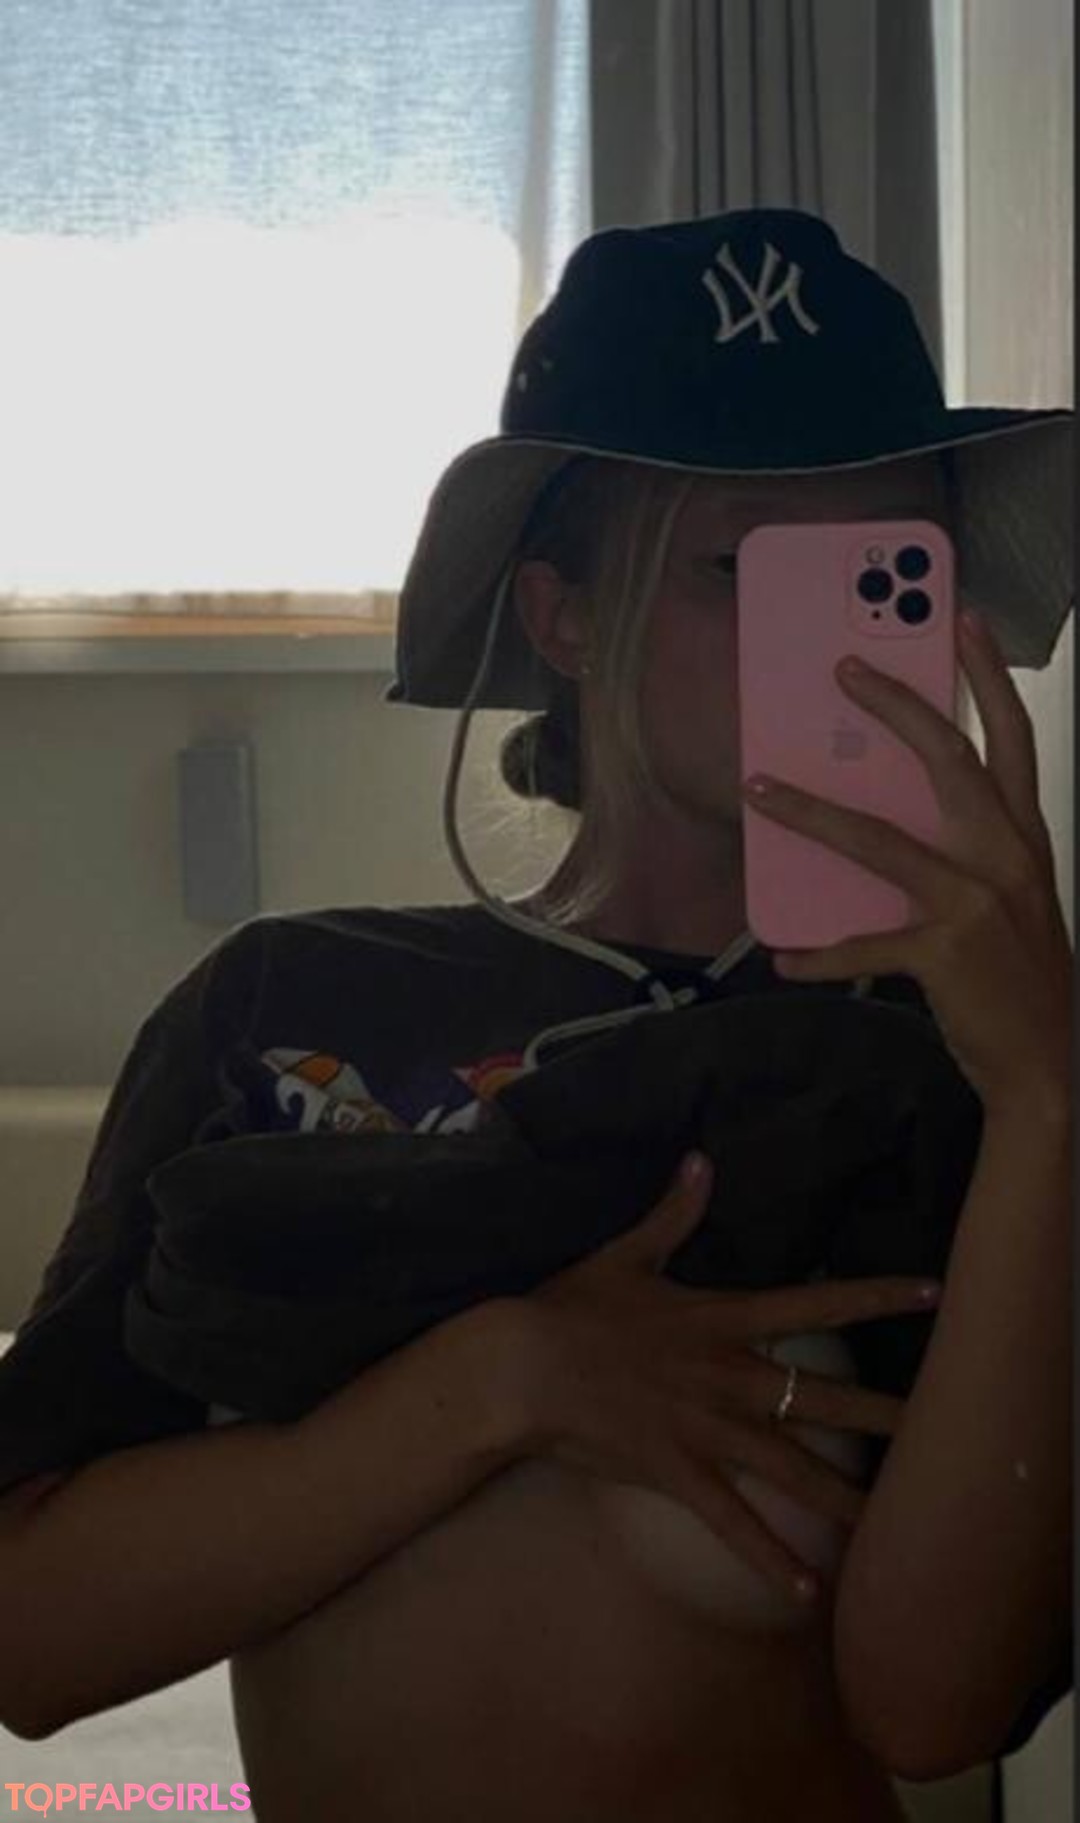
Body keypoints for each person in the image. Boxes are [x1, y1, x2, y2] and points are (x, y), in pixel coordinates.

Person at [0, 209, 1072, 1823]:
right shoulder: (284, 1009)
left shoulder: (956, 1060)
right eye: (752, 575)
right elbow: (26, 1643)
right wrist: (502, 1385)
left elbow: (940, 1711)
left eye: (886, 580)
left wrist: (1050, 1096)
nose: (843, 659)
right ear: (564, 616)